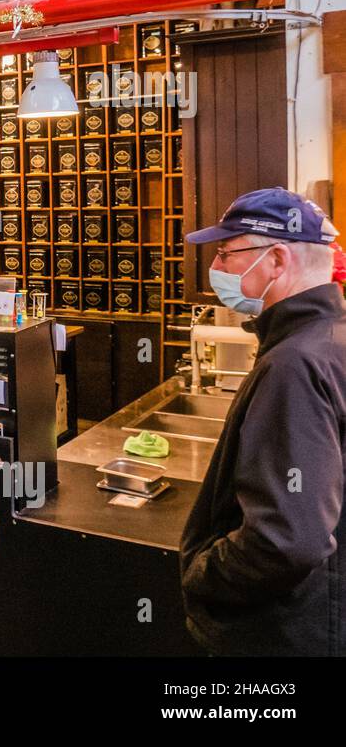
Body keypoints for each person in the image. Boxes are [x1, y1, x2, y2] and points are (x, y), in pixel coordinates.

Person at [180, 187, 346, 656]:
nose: (217, 268)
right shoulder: (328, 337)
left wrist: (202, 574)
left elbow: (287, 540)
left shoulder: (294, 364)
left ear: (275, 260)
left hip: (282, 634)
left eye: (227, 252)